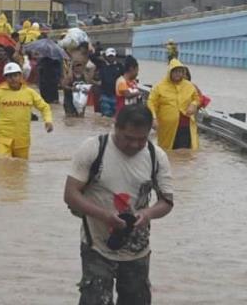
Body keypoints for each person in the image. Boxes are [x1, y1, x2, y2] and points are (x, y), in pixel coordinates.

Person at [64, 104, 174, 305]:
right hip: (96, 246)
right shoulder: (95, 148)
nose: (134, 145)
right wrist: (104, 215)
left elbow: (167, 201)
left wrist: (147, 214)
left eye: (142, 139)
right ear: (116, 127)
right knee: (95, 300)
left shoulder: (156, 156)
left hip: (137, 249)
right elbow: (70, 194)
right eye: (129, 138)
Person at [0, 62, 53, 159]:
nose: (12, 79)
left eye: (15, 75)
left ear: (20, 76)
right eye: (9, 76)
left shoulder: (30, 93)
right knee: (3, 164)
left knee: (21, 167)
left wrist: (48, 121)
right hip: (3, 138)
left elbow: (44, 107)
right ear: (5, 78)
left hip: (22, 139)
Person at [147, 59, 200, 151]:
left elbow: (197, 98)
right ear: (170, 72)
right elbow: (151, 102)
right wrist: (153, 118)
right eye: (175, 71)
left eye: (180, 71)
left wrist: (193, 104)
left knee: (183, 152)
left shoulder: (189, 86)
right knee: (166, 150)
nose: (178, 74)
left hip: (185, 126)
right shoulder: (160, 87)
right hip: (166, 126)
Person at [98, 48, 124, 117]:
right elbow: (92, 56)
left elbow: (125, 78)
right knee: (106, 117)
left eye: (112, 56)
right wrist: (100, 53)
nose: (111, 58)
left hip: (116, 96)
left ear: (115, 56)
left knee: (116, 116)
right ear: (106, 56)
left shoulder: (120, 66)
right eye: (109, 56)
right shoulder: (102, 66)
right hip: (105, 96)